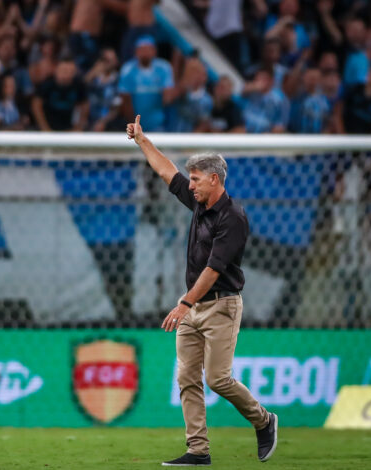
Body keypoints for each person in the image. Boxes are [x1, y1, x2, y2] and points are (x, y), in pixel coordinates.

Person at [126, 114, 278, 466]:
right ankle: (198, 450)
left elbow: (213, 269)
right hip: (193, 307)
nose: (189, 185)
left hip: (221, 306)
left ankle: (263, 419)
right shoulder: (199, 202)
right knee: (187, 378)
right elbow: (167, 172)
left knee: (219, 379)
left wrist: (183, 303)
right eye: (190, 179)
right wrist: (141, 140)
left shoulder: (233, 218)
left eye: (195, 179)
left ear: (214, 180)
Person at [118, 36, 175, 132]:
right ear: (135, 52)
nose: (145, 53)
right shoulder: (128, 70)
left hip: (159, 124)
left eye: (148, 49)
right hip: (136, 124)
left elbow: (168, 97)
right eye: (141, 50)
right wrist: (134, 126)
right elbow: (125, 99)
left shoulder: (164, 68)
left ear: (154, 51)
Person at [31, 57, 88, 131]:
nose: (67, 74)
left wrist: (78, 127)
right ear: (56, 70)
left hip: (70, 128)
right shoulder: (47, 84)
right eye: (64, 70)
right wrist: (44, 128)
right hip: (49, 127)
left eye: (71, 71)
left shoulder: (79, 85)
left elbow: (85, 106)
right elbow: (36, 105)